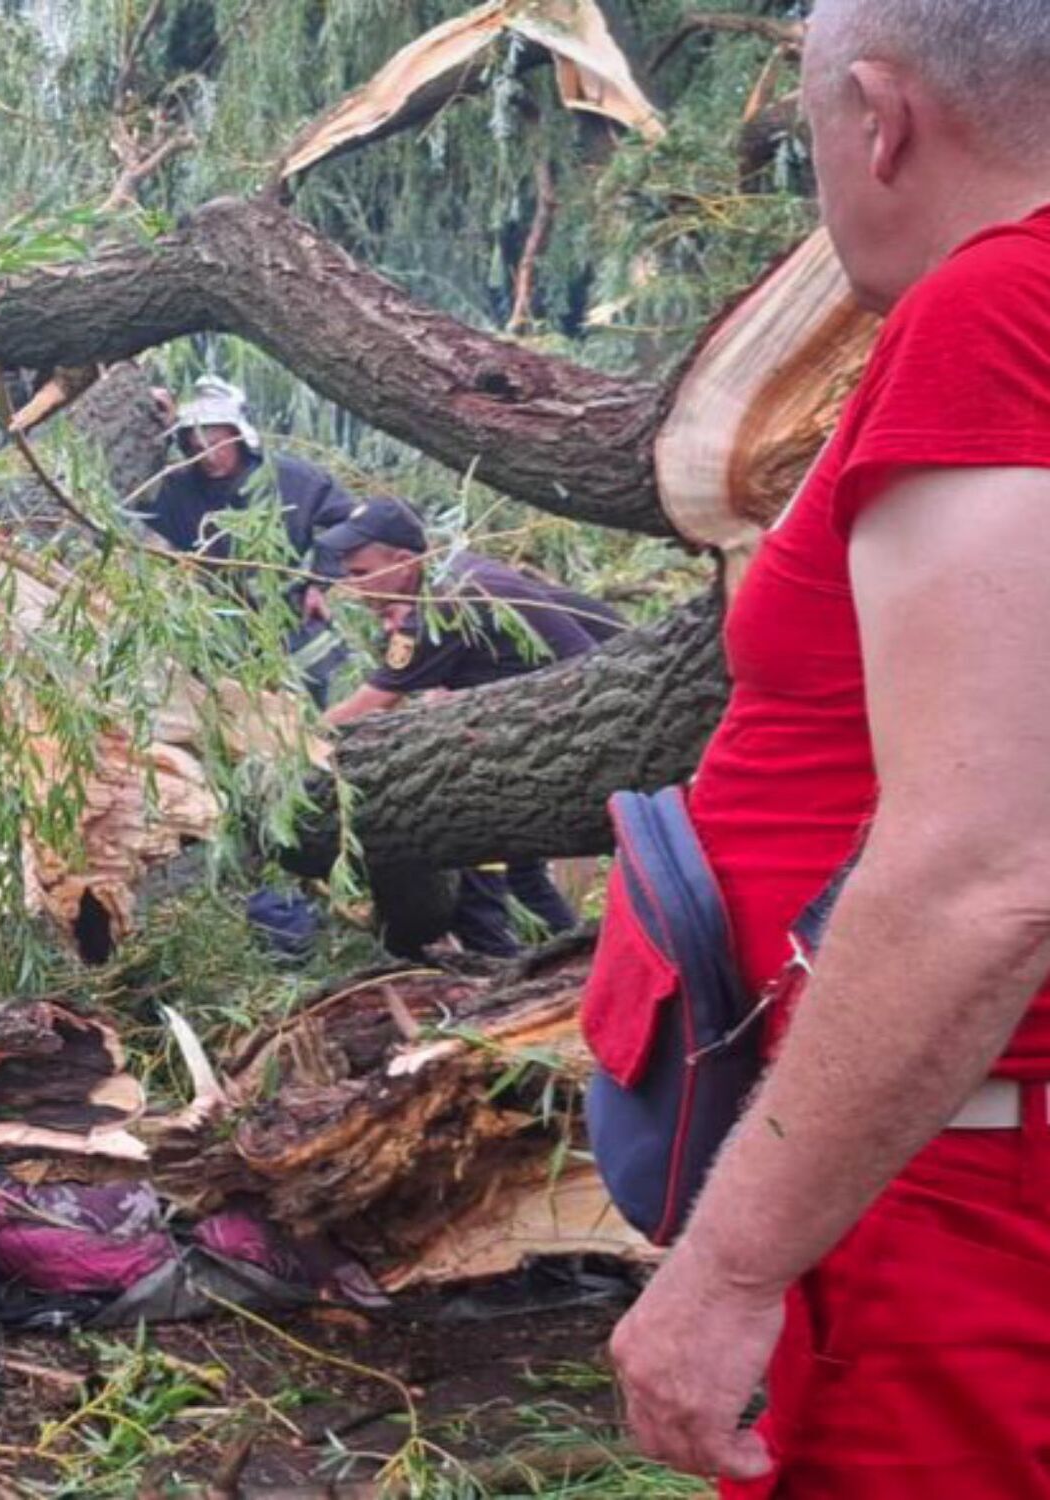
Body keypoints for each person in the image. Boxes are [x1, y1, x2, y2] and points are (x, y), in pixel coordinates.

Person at [604, 4, 1050, 1495]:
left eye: (809, 143)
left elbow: (988, 876)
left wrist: (731, 1271)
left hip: (962, 1200)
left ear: (881, 113)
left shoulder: (1002, 313)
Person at [315, 497, 618, 953]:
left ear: (404, 561)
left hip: (573, 731)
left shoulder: (444, 603)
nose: (353, 588)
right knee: (523, 870)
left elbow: (374, 702)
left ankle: (499, 961)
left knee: (476, 840)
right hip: (560, 719)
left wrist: (298, 741)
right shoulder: (460, 572)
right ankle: (570, 953)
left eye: (361, 574)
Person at [136, 377, 358, 701]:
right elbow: (132, 522)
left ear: (239, 437)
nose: (208, 457)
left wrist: (319, 582)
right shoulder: (176, 490)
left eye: (216, 445)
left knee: (322, 696)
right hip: (219, 623)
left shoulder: (294, 479)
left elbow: (347, 522)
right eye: (198, 449)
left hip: (293, 614)